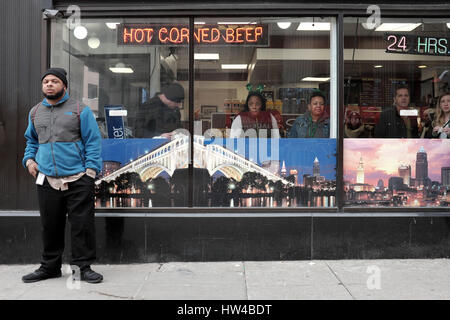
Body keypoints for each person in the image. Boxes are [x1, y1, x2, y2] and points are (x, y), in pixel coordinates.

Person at [22, 68, 103, 283]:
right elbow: (31, 141)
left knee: (82, 225)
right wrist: (29, 161)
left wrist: (90, 172)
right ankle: (50, 267)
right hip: (47, 179)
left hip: (78, 178)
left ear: (64, 86)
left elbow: (93, 142)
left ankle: (84, 268)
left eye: (55, 81)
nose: (49, 84)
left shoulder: (80, 110)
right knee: (50, 225)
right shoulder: (35, 112)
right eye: (46, 81)